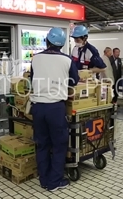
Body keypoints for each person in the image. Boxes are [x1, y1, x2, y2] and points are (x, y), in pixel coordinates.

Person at [30, 27, 80, 191]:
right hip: (55, 108)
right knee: (59, 145)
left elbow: (32, 79)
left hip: (37, 107)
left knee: (42, 144)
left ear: (47, 41)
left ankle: (44, 180)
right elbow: (74, 81)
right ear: (62, 44)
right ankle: (54, 182)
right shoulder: (67, 60)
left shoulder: (35, 58)